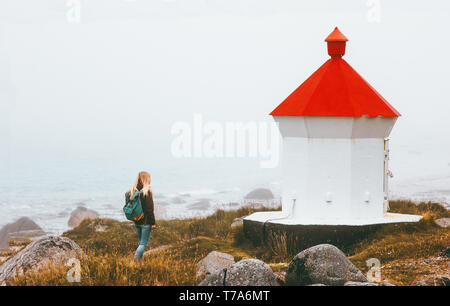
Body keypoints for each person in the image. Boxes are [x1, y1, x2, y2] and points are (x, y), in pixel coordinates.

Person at [126, 171, 156, 262]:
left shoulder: (132, 191)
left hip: (137, 221)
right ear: (146, 179)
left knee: (140, 243)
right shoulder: (147, 192)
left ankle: (139, 263)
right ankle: (135, 261)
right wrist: (153, 223)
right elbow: (150, 210)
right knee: (143, 244)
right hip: (146, 222)